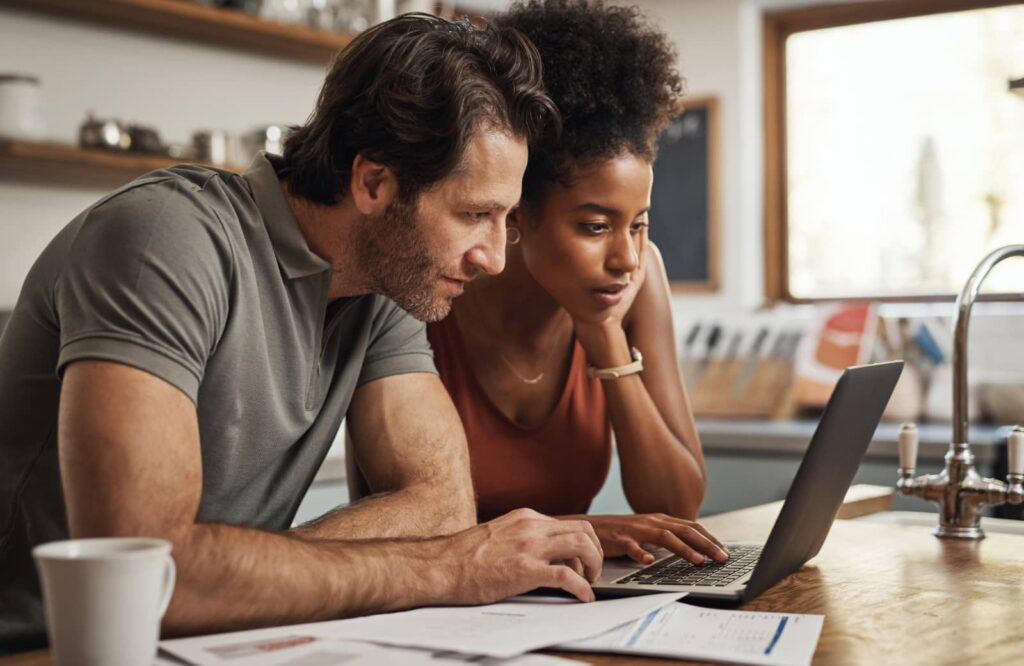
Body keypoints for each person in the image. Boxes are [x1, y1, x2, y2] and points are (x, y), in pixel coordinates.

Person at [0, 14, 605, 653]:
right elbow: (148, 580)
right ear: (373, 183)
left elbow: (442, 508)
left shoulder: (387, 284)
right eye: (475, 213)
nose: (495, 258)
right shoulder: (166, 238)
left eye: (505, 219)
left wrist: (230, 573)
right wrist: (448, 568)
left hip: (210, 642)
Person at [424, 0, 729, 567]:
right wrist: (585, 529)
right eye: (595, 226)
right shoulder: (431, 293)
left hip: (570, 601)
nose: (626, 258)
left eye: (638, 223)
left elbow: (677, 505)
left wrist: (605, 336)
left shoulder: (639, 279)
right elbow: (398, 525)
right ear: (517, 213)